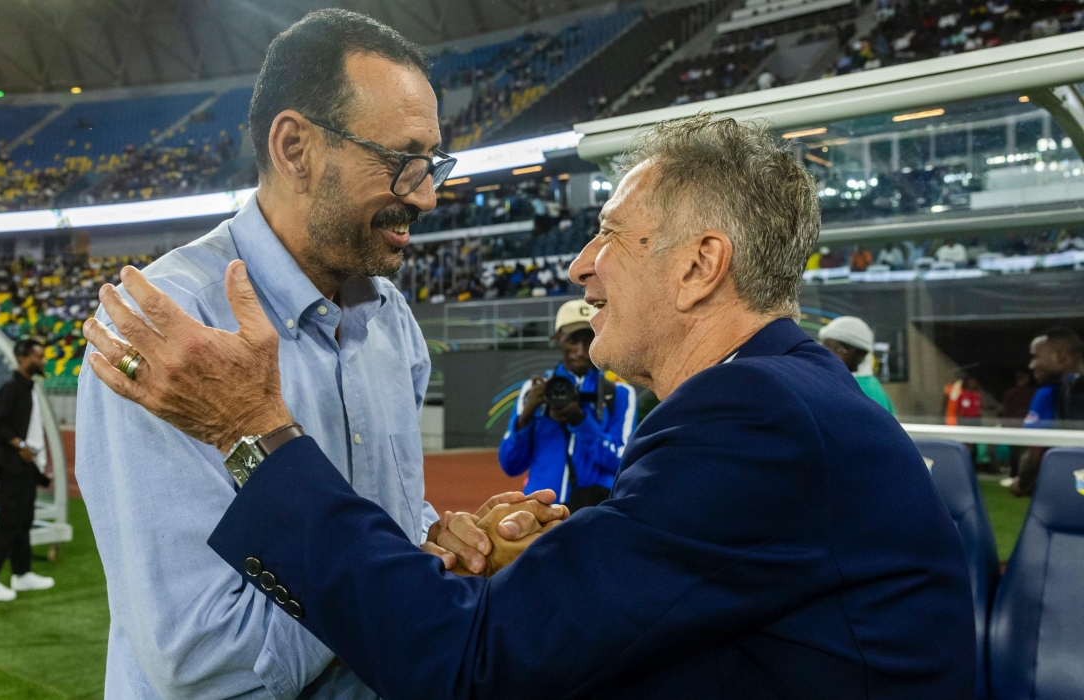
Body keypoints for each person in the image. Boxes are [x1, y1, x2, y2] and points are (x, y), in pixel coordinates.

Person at [84, 113, 975, 699]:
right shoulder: (775, 398)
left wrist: (254, 431)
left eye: (610, 236)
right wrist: (563, 560)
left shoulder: (756, 417)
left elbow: (469, 666)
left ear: (701, 265)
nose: (580, 268)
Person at [73, 11, 563, 699]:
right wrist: (412, 577)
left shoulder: (391, 320)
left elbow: (392, 518)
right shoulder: (164, 330)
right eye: (402, 161)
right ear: (295, 148)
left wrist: (443, 538)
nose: (426, 193)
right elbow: (201, 661)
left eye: (433, 162)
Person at [498, 298, 637, 510]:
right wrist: (526, 416)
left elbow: (622, 463)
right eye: (573, 340)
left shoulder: (618, 394)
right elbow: (510, 465)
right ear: (558, 338)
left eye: (588, 339)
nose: (581, 351)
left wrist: (581, 421)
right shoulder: (533, 391)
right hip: (539, 511)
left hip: (593, 511)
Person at [0, 339, 55, 602]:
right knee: (9, 523)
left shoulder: (30, 389)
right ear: (22, 358)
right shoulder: (11, 389)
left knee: (23, 521)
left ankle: (21, 574)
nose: (42, 361)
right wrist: (19, 444)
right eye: (38, 356)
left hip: (26, 466)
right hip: (13, 467)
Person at [1010, 327, 1084, 496]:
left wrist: (1022, 484)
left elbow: (1034, 453)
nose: (1031, 365)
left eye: (1036, 357)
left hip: (1064, 491)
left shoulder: (1048, 394)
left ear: (1061, 356)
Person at [818, 315, 895, 415]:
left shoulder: (864, 392)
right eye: (824, 348)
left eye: (837, 348)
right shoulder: (836, 383)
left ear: (861, 353)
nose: (828, 354)